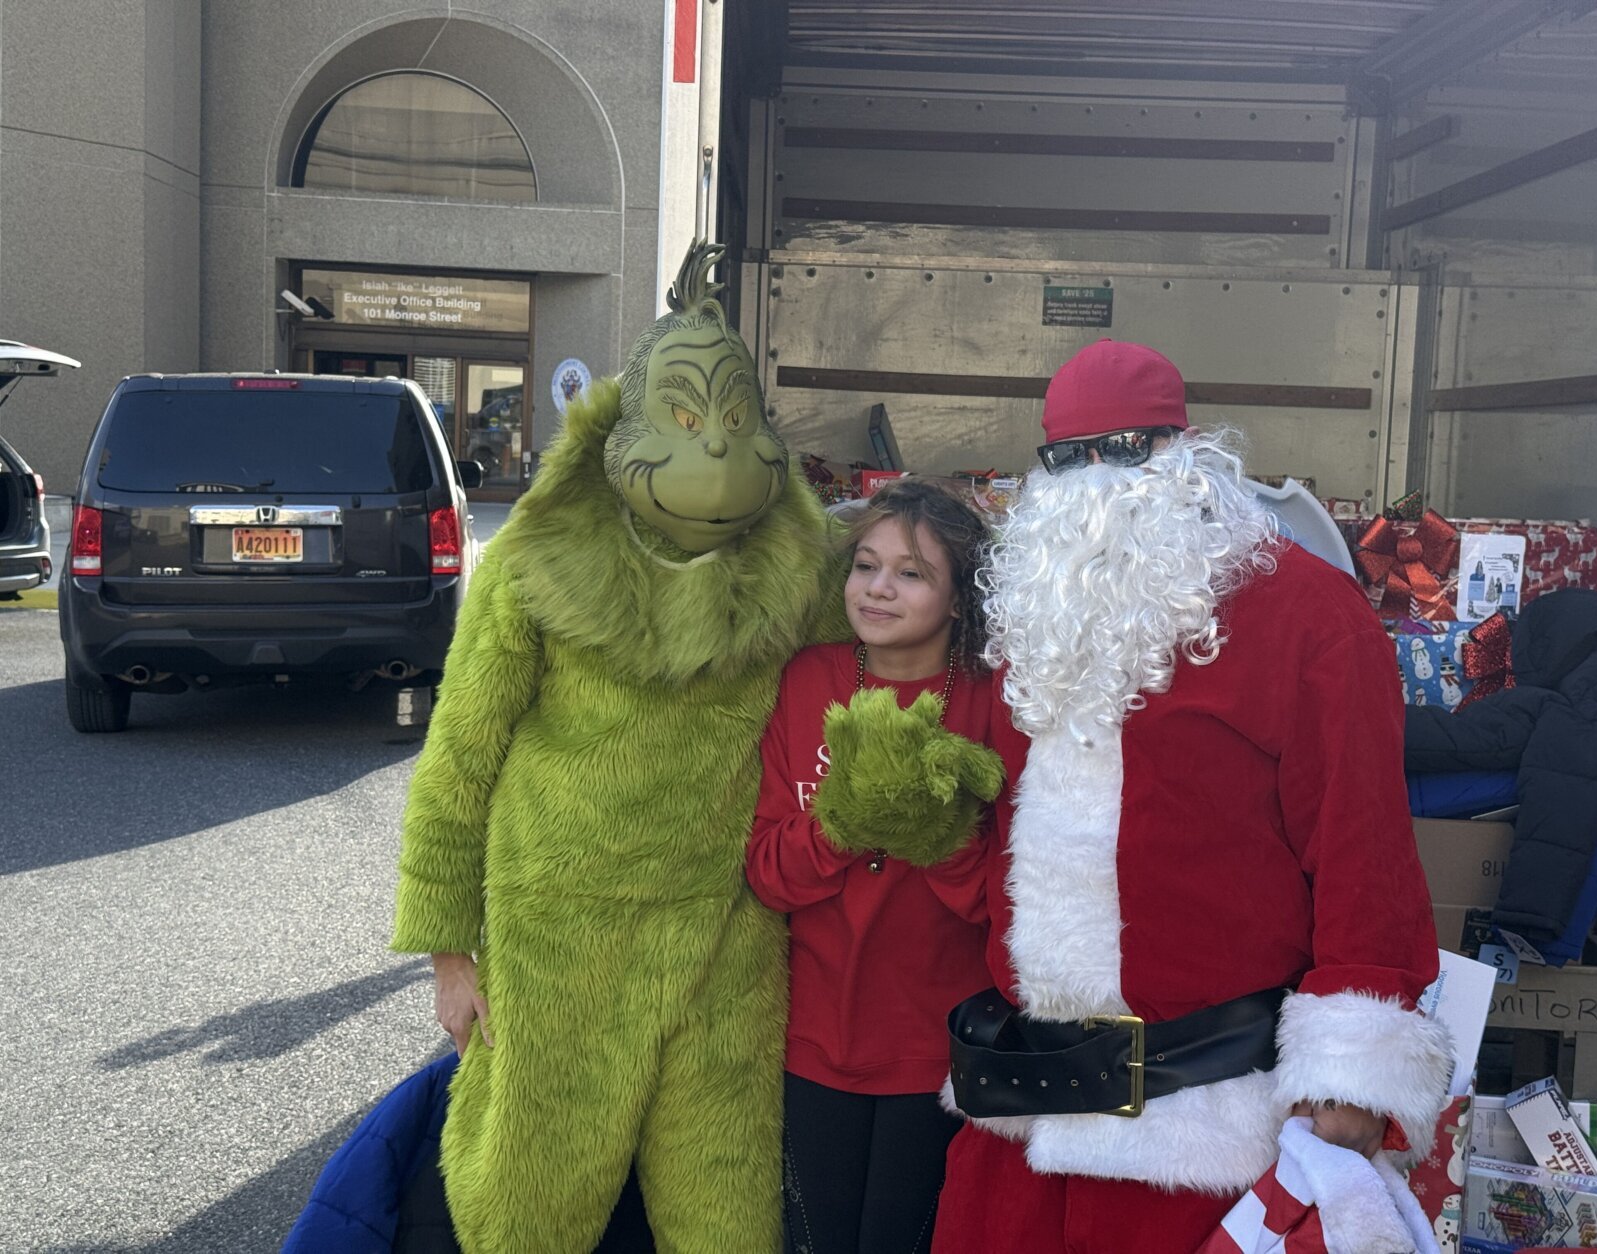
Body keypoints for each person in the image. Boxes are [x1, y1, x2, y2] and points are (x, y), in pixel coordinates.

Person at [931, 340, 1453, 1253]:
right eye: (1066, 458)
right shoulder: (1036, 618)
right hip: (1025, 1123)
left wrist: (1350, 1080)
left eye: (1126, 449)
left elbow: (1362, 845)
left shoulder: (1309, 615)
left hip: (1210, 1138)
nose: (1095, 479)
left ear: (1183, 455)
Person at [390, 241, 848, 1254]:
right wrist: (448, 953)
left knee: (727, 1214)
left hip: (726, 930)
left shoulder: (798, 570)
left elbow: (883, 646)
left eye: (738, 424)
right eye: (687, 422)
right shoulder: (533, 562)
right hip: (559, 924)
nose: (719, 454)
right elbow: (460, 758)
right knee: (526, 1204)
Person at [747, 480, 1008, 1254]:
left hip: (940, 1055)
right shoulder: (806, 682)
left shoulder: (992, 702)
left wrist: (941, 836)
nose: (879, 588)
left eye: (912, 573)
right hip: (812, 1043)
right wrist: (841, 824)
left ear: (959, 598)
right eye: (866, 566)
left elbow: (1004, 902)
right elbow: (765, 873)